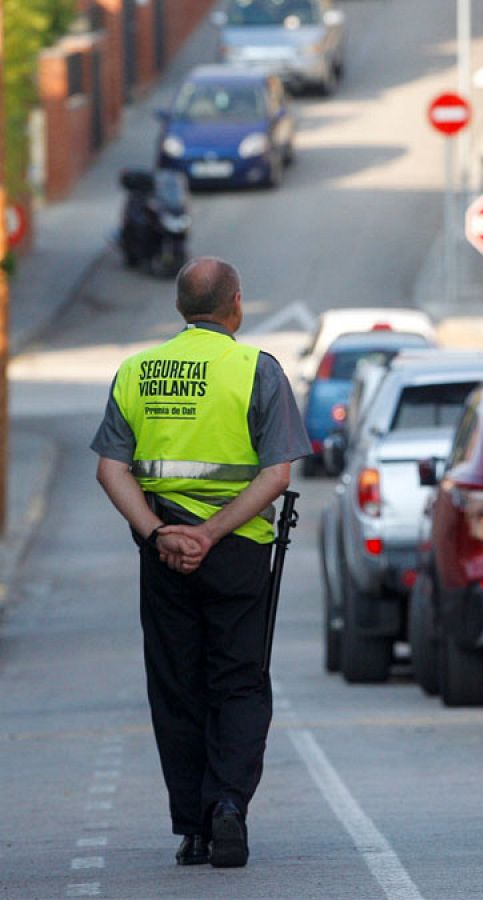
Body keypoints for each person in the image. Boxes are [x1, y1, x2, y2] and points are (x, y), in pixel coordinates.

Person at [90, 257, 310, 868]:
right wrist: (211, 532)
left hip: (162, 557)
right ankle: (229, 806)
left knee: (177, 686)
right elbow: (277, 473)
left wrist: (162, 532)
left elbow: (111, 469)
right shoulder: (255, 371)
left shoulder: (137, 371)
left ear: (180, 307)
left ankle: (192, 827)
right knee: (238, 681)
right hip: (238, 552)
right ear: (236, 304)